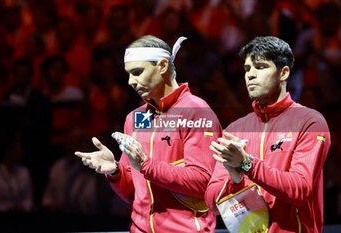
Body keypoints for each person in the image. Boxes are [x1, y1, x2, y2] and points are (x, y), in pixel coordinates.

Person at [75, 35, 222, 232]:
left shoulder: (196, 112)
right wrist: (114, 172)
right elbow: (133, 193)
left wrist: (146, 165)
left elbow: (204, 182)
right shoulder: (135, 118)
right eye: (128, 74)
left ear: (162, 66)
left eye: (137, 72)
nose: (130, 81)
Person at [204, 36, 331, 233]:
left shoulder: (310, 122)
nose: (250, 75)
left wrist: (247, 164)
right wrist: (235, 178)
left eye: (260, 67)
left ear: (284, 73)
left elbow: (299, 189)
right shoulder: (234, 130)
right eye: (247, 69)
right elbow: (212, 203)